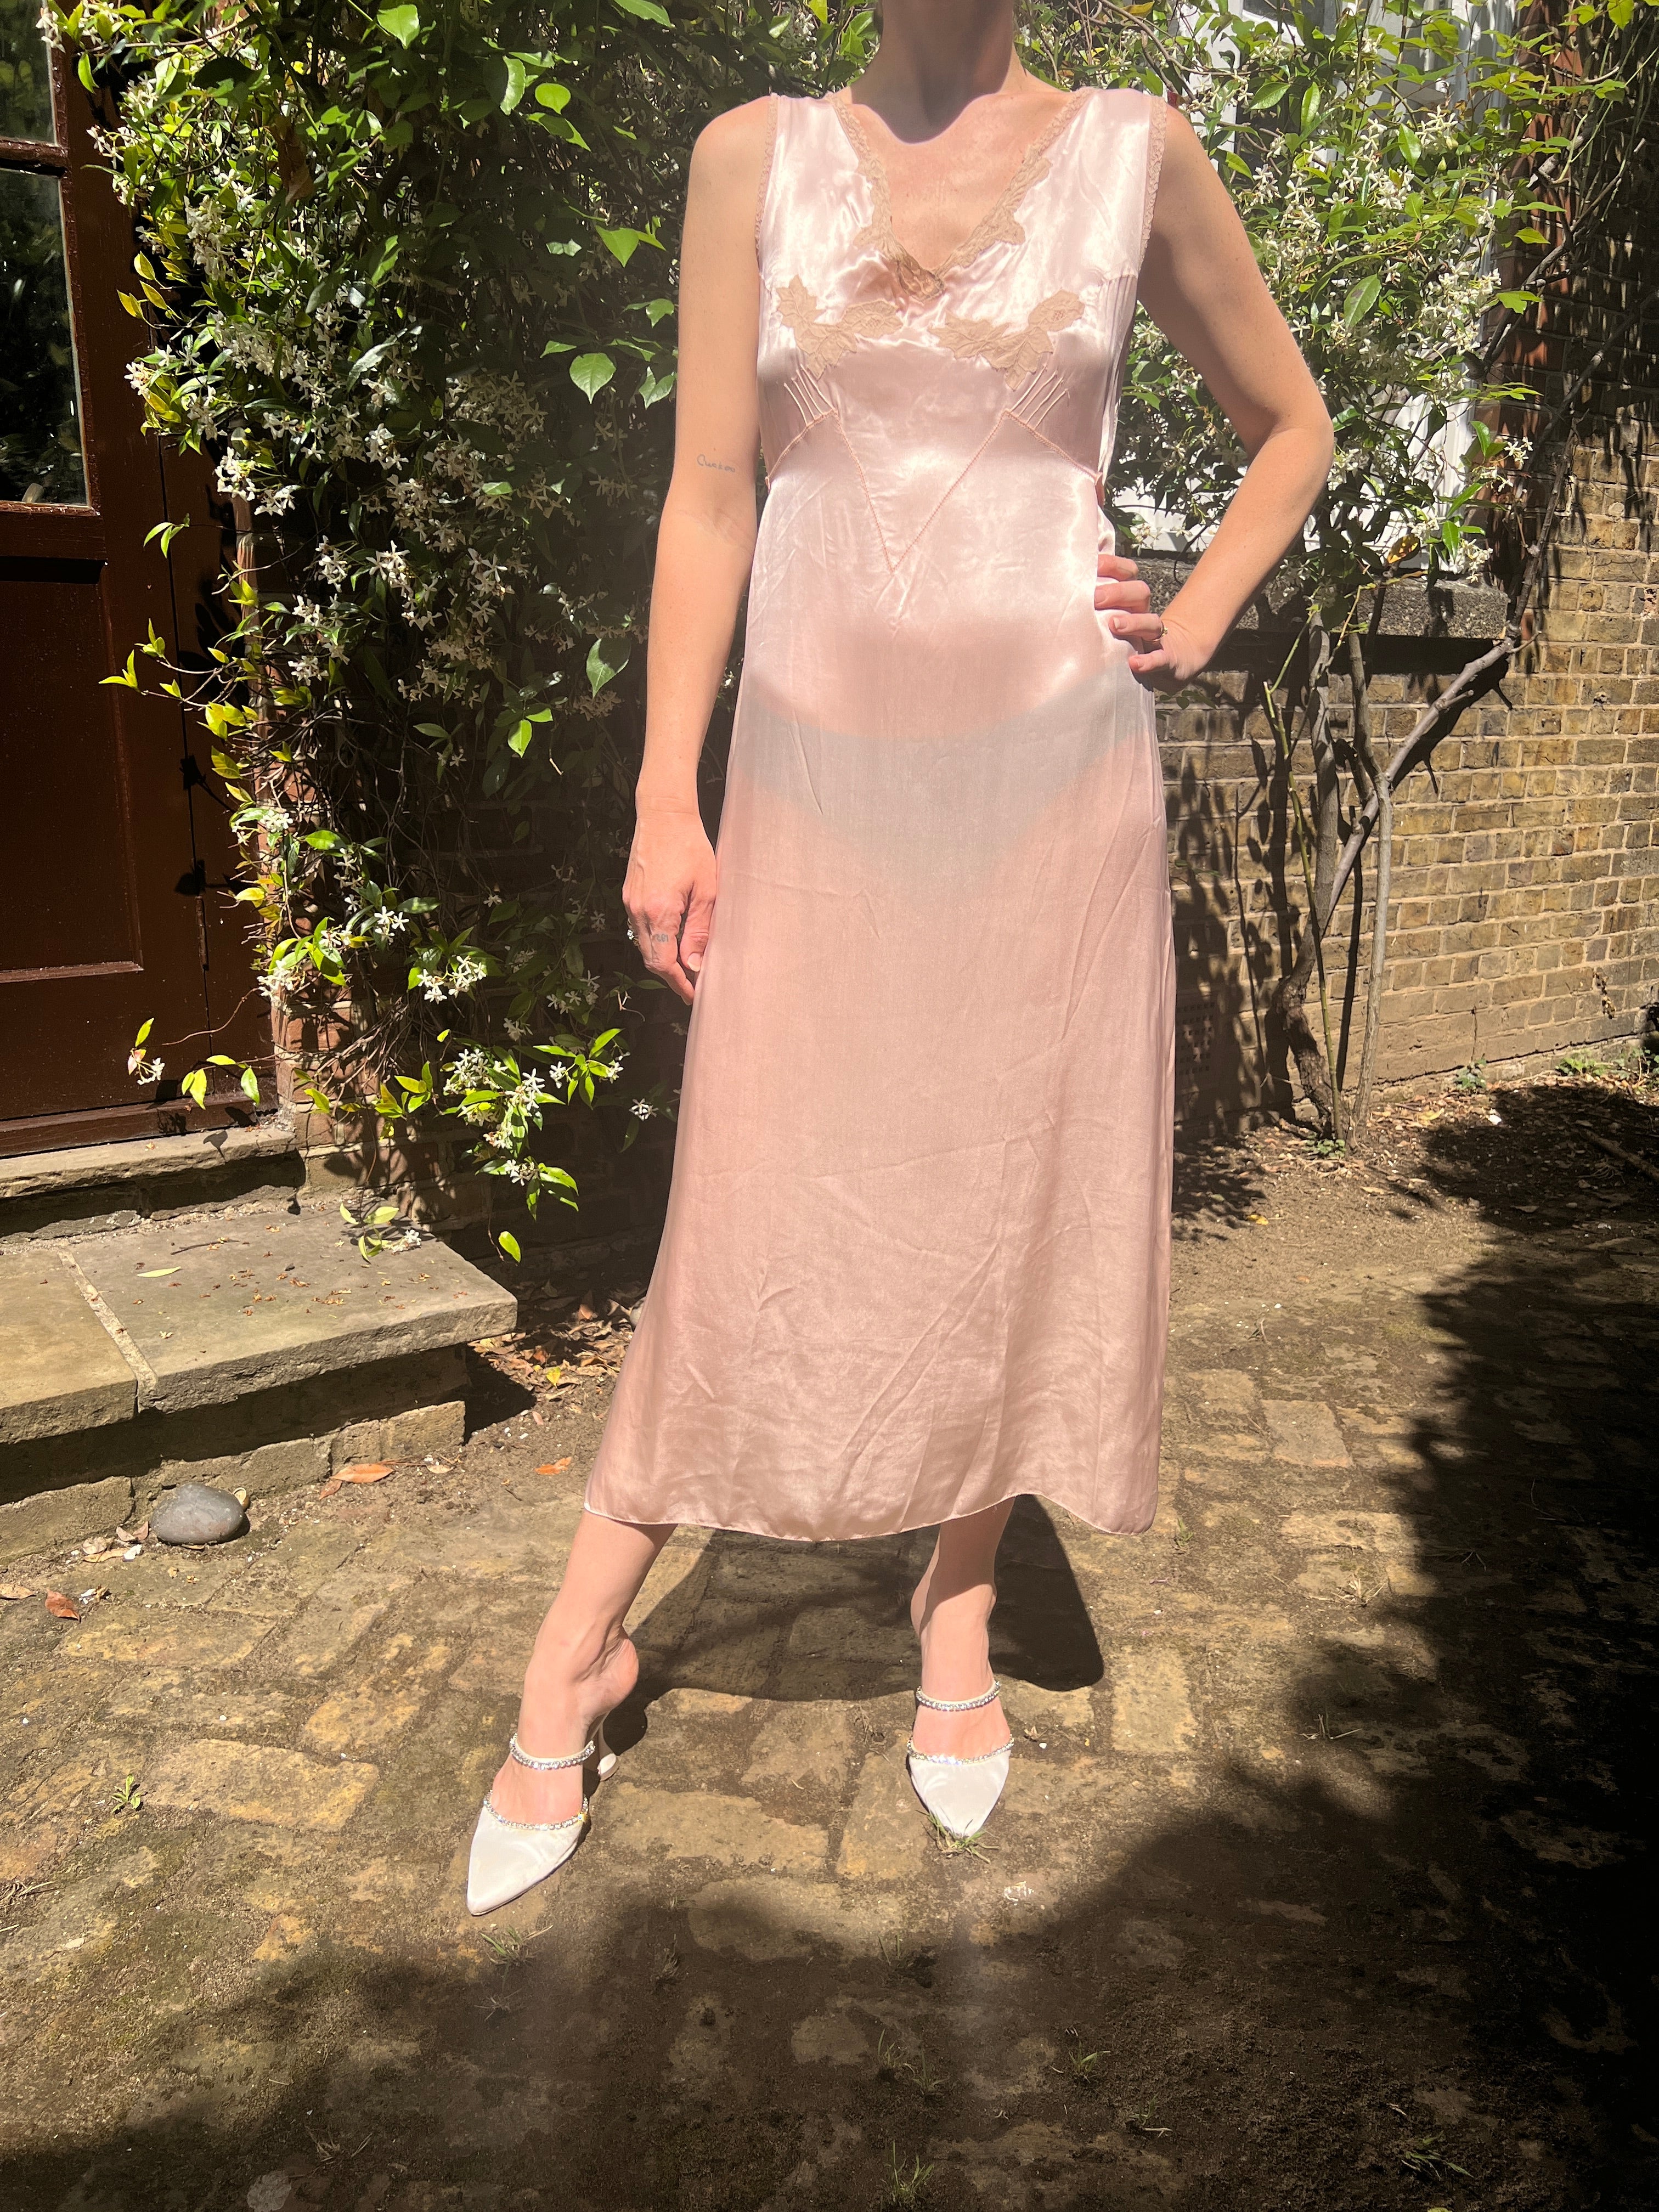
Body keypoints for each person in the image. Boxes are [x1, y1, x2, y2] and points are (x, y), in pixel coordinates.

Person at [467, 0, 1332, 1914]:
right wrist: (666, 797)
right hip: (816, 790)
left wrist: (1194, 613)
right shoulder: (751, 157)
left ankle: (957, 1608)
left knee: (1006, 1186)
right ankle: (579, 1645)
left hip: (1052, 784)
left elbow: (1296, 428)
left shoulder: (1139, 151)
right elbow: (713, 494)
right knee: (752, 1198)